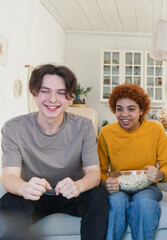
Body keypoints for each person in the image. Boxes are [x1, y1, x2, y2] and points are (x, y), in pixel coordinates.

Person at [0, 64, 109, 240]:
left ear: (71, 97)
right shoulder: (14, 128)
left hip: (72, 194)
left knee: (97, 197)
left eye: (61, 92)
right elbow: (10, 177)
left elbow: (94, 173)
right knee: (8, 202)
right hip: (34, 196)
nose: (53, 99)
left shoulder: (84, 126)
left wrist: (78, 186)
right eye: (45, 91)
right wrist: (24, 187)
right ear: (34, 93)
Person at [98, 83, 167, 240]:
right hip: (118, 188)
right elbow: (101, 171)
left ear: (141, 110)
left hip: (148, 187)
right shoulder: (106, 133)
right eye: (119, 109)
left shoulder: (156, 129)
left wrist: (159, 175)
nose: (124, 114)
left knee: (144, 202)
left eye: (131, 109)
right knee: (116, 203)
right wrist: (106, 184)